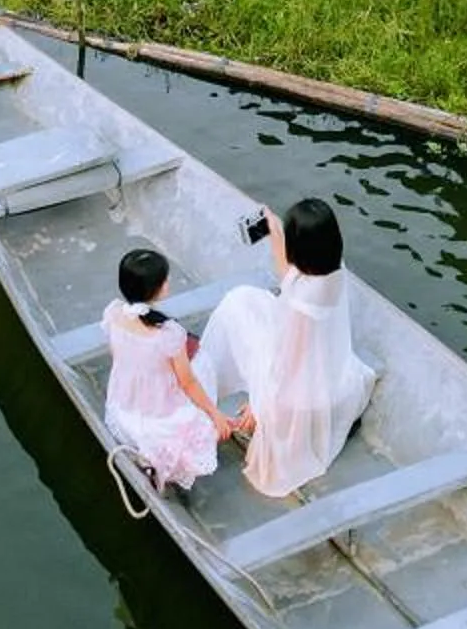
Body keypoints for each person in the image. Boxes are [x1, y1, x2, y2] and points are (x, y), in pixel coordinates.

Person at [192, 196, 374, 498]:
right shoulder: (333, 269)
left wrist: (259, 404)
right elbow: (286, 273)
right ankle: (210, 384)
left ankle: (204, 389)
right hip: (334, 373)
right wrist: (275, 229)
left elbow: (288, 366)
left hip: (299, 389)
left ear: (299, 250)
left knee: (237, 303)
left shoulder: (301, 305)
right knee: (248, 300)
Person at [102, 246, 244, 492]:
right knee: (201, 363)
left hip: (126, 404)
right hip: (160, 412)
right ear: (155, 289)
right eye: (165, 279)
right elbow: (187, 383)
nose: (169, 281)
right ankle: (164, 460)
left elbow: (117, 357)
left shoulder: (113, 314)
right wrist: (214, 414)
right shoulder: (169, 334)